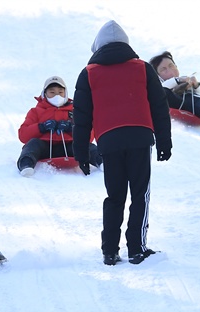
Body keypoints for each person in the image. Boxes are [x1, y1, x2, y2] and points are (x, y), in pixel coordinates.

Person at [72, 20, 172, 266]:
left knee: (114, 195)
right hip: (140, 136)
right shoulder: (142, 68)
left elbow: (81, 117)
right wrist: (164, 141)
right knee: (140, 194)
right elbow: (159, 106)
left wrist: (81, 152)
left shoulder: (89, 73)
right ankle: (137, 249)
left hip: (108, 140)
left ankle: (109, 251)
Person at [17, 75, 102, 177]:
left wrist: (72, 128)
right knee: (32, 144)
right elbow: (23, 135)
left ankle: (102, 162)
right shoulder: (35, 112)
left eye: (60, 92)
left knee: (85, 146)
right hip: (45, 147)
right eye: (52, 92)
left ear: (65, 93)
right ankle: (26, 165)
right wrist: (42, 127)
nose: (57, 96)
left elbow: (89, 136)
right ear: (44, 94)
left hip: (70, 146)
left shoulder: (74, 110)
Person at [149, 51, 200, 127]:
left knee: (195, 98)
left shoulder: (188, 82)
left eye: (171, 65)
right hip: (174, 103)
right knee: (164, 92)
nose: (169, 70)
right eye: (163, 69)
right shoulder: (160, 86)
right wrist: (178, 80)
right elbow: (160, 90)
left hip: (193, 106)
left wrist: (197, 86)